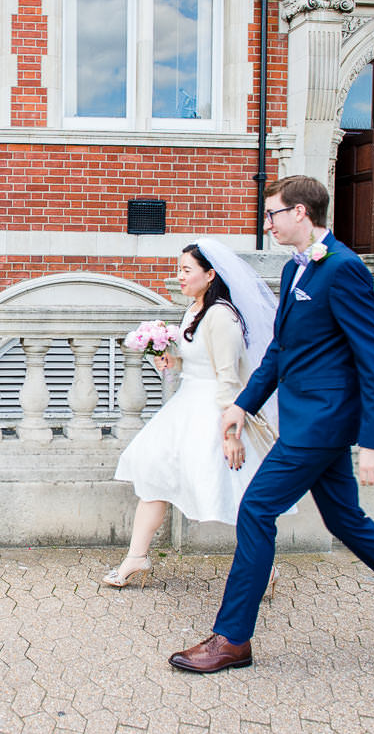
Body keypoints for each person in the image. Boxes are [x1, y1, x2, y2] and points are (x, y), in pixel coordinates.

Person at [169, 175, 374, 674]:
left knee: (256, 508)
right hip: (305, 417)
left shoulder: (345, 269)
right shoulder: (294, 272)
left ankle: (232, 639)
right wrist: (243, 404)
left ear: (302, 214)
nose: (268, 223)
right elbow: (281, 352)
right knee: (346, 521)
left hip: (323, 424)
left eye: (273, 214)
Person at [101, 239, 281, 589]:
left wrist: (230, 435)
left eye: (186, 270)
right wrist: (173, 358)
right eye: (179, 269)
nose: (179, 276)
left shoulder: (222, 316)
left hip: (213, 411)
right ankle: (136, 557)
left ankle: (265, 567)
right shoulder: (195, 309)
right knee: (153, 474)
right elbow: (199, 359)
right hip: (185, 408)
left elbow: (228, 379)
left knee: (234, 493)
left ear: (210, 274)